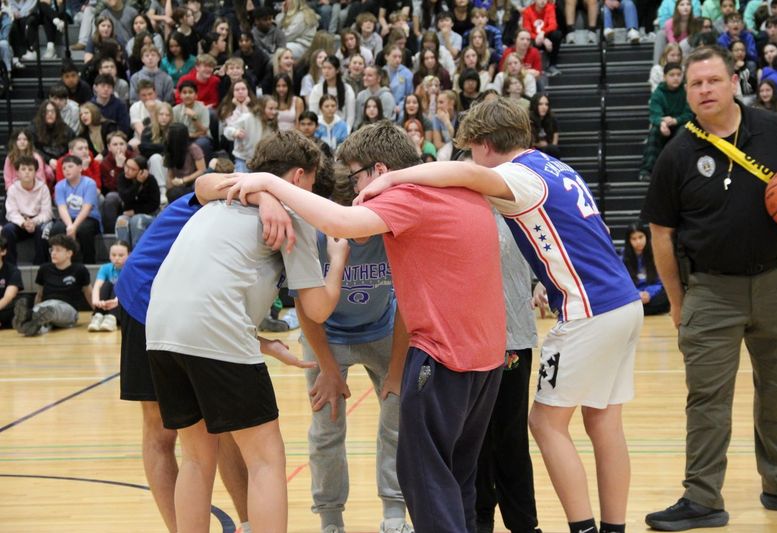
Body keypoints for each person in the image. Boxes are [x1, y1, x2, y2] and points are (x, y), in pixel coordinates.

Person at [352, 99, 643, 533]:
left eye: (470, 149)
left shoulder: (515, 175)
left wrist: (393, 177)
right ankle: (614, 528)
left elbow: (466, 175)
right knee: (604, 422)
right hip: (624, 302)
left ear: (486, 146)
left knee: (545, 424)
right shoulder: (550, 164)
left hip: (589, 309)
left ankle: (583, 529)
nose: (469, 159)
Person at [217, 120, 507, 533]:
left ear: (379, 170)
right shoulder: (458, 191)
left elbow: (339, 223)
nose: (355, 189)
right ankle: (332, 516)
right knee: (455, 476)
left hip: (445, 356)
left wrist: (268, 182)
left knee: (425, 478)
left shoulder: (408, 197)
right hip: (485, 358)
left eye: (356, 176)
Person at [146, 131, 349, 533]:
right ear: (297, 176)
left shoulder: (224, 195)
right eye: (310, 183)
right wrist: (337, 260)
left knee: (196, 457)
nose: (311, 192)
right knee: (266, 458)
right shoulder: (292, 214)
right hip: (213, 330)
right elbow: (317, 307)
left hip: (159, 329)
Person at [641, 45, 777, 531]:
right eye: (695, 84)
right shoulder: (676, 155)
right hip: (711, 290)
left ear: (735, 80)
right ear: (684, 92)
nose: (705, 89)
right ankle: (703, 497)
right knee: (707, 397)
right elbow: (661, 234)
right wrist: (679, 301)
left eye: (713, 80)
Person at [292, 170, 412, 533]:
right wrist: (327, 369)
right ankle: (330, 518)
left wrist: (395, 370)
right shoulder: (311, 237)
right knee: (326, 430)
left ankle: (394, 513)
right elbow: (306, 310)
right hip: (327, 336)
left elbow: (408, 306)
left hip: (383, 330)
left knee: (397, 421)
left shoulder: (391, 233)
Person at [475, 207, 540, 533]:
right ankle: (479, 518)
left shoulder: (518, 206)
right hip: (467, 341)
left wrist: (542, 283)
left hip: (512, 337)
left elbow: (545, 257)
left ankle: (524, 524)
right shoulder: (458, 204)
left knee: (511, 437)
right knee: (474, 438)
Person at [12, 234, 91, 336]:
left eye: (58, 250)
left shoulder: (80, 270)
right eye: (52, 250)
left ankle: (30, 316)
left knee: (51, 309)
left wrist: (98, 312)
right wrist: (37, 306)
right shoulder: (44, 269)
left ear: (69, 253)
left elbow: (89, 293)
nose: (53, 253)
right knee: (42, 317)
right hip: (45, 305)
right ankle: (27, 324)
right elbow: (40, 294)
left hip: (68, 309)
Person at [639, 62, 694, 181]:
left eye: (679, 75)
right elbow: (654, 114)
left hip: (680, 124)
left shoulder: (686, 91)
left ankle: (681, 170)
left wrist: (675, 120)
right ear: (664, 77)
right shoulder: (658, 93)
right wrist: (661, 123)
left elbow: (690, 114)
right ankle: (647, 169)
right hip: (665, 125)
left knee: (684, 130)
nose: (676, 78)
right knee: (654, 130)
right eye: (672, 75)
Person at [51, 155, 102, 264]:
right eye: (64, 168)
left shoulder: (90, 183)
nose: (66, 170)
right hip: (68, 218)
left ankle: (89, 263)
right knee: (56, 229)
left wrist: (74, 227)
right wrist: (70, 226)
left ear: (80, 168)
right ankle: (60, 262)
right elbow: (62, 207)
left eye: (70, 166)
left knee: (84, 230)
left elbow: (86, 208)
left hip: (89, 218)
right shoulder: (59, 186)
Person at [2, 155, 53, 265]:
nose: (27, 172)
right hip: (20, 222)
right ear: (18, 173)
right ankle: (10, 265)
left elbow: (47, 212)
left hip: (38, 222)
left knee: (44, 230)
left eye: (30, 169)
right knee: (7, 229)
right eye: (23, 169)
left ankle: (40, 265)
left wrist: (33, 222)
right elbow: (11, 213)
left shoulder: (43, 188)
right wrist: (23, 223)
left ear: (35, 172)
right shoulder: (12, 189)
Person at [622, 222, 670, 315]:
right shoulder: (623, 257)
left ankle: (638, 311)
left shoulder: (655, 254)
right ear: (629, 241)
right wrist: (638, 294)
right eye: (634, 239)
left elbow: (660, 282)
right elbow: (624, 283)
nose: (638, 242)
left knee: (667, 295)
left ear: (646, 237)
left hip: (651, 295)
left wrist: (649, 293)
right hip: (634, 295)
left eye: (640, 237)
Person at [114, 155, 160, 248]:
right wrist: (138, 183)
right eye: (126, 166)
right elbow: (125, 197)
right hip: (128, 214)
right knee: (121, 221)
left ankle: (137, 252)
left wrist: (135, 211)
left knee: (137, 220)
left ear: (142, 171)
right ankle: (123, 251)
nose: (127, 170)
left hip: (149, 214)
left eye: (132, 169)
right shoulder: (122, 178)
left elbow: (154, 204)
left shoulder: (151, 180)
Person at [88, 240, 130, 332]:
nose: (116, 258)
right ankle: (98, 315)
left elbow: (128, 291)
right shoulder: (105, 267)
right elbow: (97, 286)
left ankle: (112, 318)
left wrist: (115, 302)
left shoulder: (130, 269)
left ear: (129, 255)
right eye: (113, 255)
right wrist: (96, 301)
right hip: (107, 305)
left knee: (118, 285)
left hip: (121, 307)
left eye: (121, 255)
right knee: (107, 284)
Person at [0, 235, 23, 328]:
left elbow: (8, 297)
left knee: (21, 303)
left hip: (4, 308)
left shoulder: (13, 271)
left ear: (3, 251)